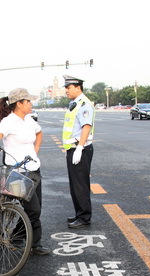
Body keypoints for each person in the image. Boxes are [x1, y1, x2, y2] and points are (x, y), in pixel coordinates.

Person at [0, 88, 50, 256]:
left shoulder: (29, 119)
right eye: (28, 101)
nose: (31, 104)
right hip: (18, 172)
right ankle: (34, 244)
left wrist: (34, 152)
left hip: (33, 168)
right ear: (19, 104)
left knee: (36, 209)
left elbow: (39, 133)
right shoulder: (9, 121)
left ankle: (17, 236)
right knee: (33, 209)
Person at [61, 75, 95, 229]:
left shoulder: (84, 105)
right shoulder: (75, 104)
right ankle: (79, 213)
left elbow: (86, 127)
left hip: (80, 148)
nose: (66, 91)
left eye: (68, 88)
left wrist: (80, 147)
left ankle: (84, 217)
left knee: (80, 184)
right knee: (75, 184)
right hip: (73, 149)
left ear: (77, 87)